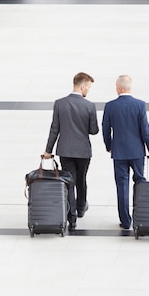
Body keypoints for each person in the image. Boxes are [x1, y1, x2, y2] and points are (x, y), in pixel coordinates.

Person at [43, 72, 99, 230]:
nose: (88, 91)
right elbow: (94, 130)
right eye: (88, 87)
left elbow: (55, 129)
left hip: (65, 150)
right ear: (82, 86)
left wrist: (48, 150)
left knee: (69, 182)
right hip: (83, 151)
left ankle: (72, 217)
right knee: (81, 179)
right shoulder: (89, 106)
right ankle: (81, 208)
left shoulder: (59, 103)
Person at [102, 75, 149, 230]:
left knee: (122, 185)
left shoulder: (110, 106)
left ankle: (126, 221)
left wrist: (109, 146)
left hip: (119, 152)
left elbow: (106, 130)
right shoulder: (140, 105)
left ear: (119, 88)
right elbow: (145, 130)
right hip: (137, 152)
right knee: (140, 182)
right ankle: (141, 216)